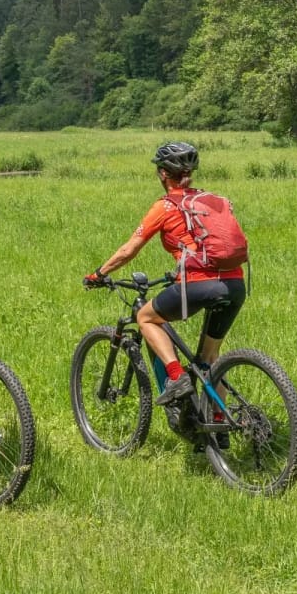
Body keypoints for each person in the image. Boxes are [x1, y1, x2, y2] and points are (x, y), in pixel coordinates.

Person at [83, 141, 246, 408]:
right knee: (209, 360)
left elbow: (129, 250)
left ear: (162, 173)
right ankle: (218, 428)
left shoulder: (166, 206)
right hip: (235, 284)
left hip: (197, 285)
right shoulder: (212, 200)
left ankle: (176, 376)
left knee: (145, 317)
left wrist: (98, 274)